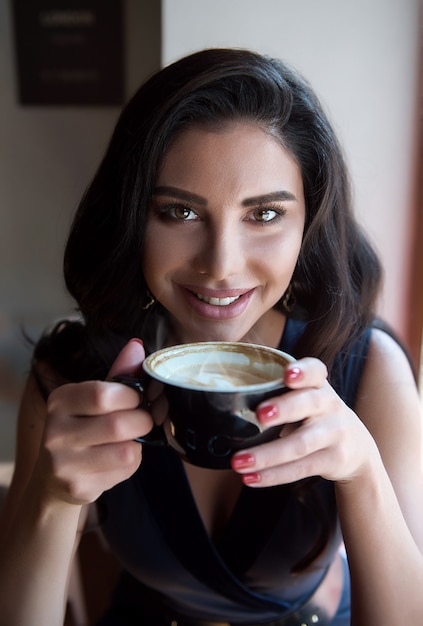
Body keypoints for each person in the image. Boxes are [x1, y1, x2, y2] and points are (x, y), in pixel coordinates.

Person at [0, 47, 422, 626]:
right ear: (131, 216)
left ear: (310, 222)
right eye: (180, 212)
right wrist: (51, 501)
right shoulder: (72, 372)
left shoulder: (369, 366)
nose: (221, 266)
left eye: (265, 215)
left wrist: (363, 474)